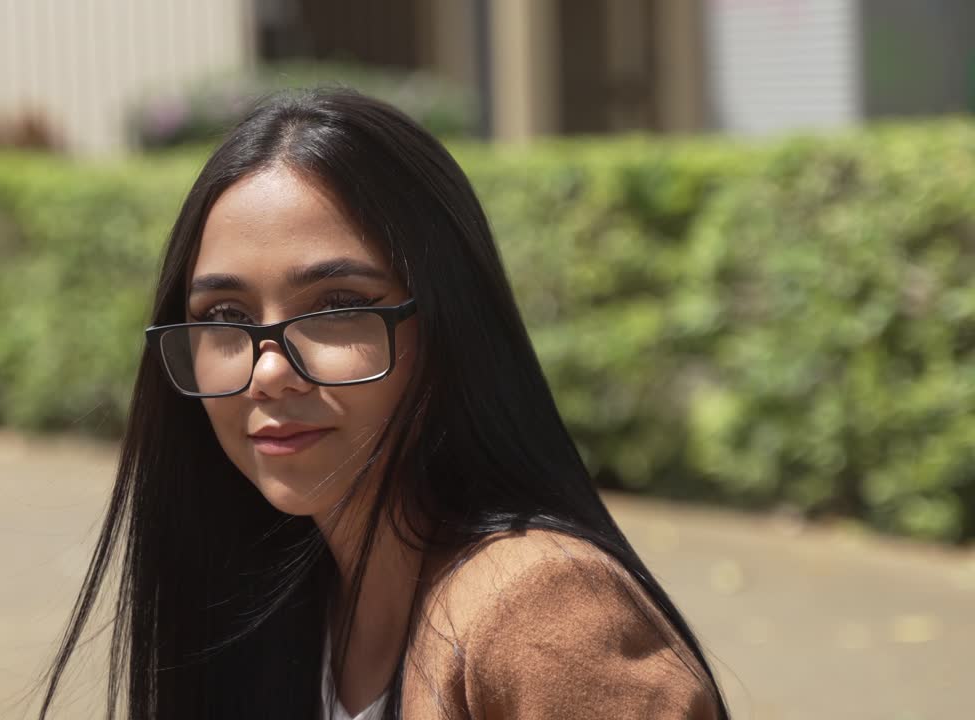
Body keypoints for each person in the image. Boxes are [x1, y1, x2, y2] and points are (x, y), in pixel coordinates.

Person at [37, 88, 729, 719]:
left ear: (449, 327)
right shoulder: (276, 605)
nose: (268, 371)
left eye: (336, 306)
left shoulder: (539, 614)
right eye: (224, 313)